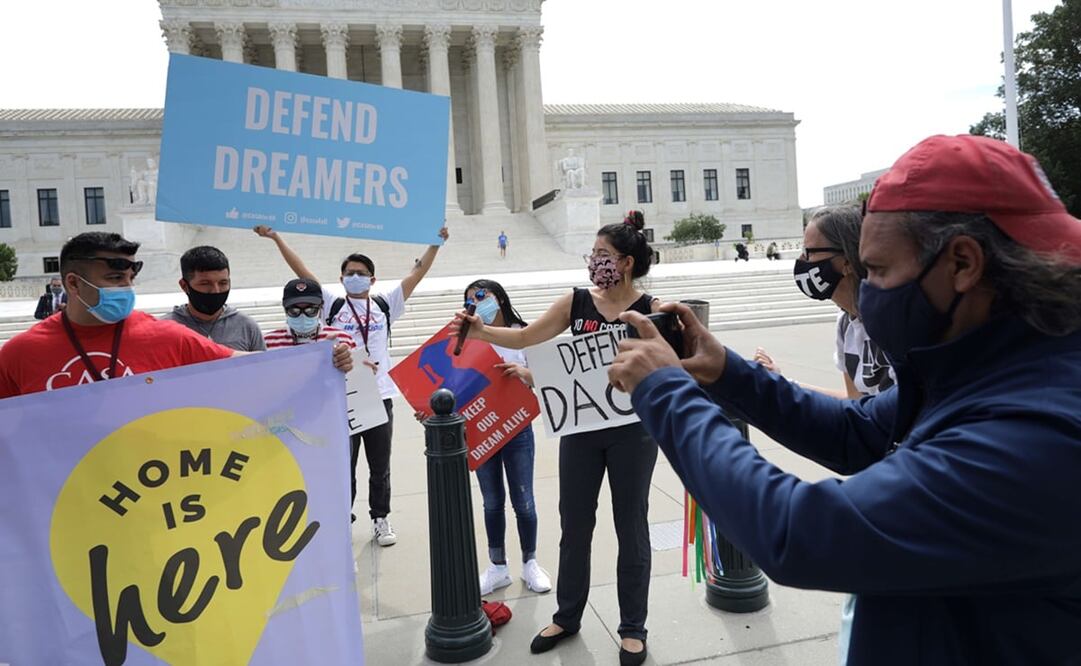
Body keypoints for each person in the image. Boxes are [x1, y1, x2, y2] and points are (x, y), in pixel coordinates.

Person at [608, 134, 1081, 664]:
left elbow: (794, 532)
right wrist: (726, 372)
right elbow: (858, 431)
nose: (868, 291)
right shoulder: (991, 365)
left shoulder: (1040, 432)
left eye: (877, 271)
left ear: (963, 263)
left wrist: (667, 392)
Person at [452, 209, 658, 665]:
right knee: (575, 527)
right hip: (581, 433)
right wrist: (480, 329)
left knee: (632, 526)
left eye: (602, 255)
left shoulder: (650, 311)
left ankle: (632, 628)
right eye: (592, 254)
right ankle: (567, 616)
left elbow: (665, 369)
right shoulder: (576, 302)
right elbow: (526, 336)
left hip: (632, 435)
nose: (593, 262)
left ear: (625, 262)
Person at [255, 224, 450, 547]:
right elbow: (300, 270)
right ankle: (341, 519)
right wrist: (277, 238)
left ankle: (380, 518)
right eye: (348, 272)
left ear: (372, 280)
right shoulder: (332, 303)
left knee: (379, 463)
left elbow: (417, 272)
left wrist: (435, 244)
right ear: (341, 278)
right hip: (341, 395)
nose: (354, 276)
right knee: (342, 464)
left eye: (360, 273)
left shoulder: (386, 304)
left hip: (380, 395)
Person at [0, 232, 353, 400]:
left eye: (128, 279)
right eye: (113, 279)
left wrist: (323, 358)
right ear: (73, 284)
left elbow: (251, 365)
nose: (124, 288)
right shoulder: (18, 355)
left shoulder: (166, 336)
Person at [461, 279, 551, 597]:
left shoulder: (523, 333)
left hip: (517, 427)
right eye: (471, 300)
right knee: (492, 503)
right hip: (481, 430)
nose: (478, 303)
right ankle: (497, 567)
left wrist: (528, 375)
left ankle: (530, 563)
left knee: (524, 501)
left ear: (499, 298)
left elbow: (549, 374)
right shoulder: (464, 338)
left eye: (483, 297)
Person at [754, 206, 894, 399]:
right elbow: (855, 400)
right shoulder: (846, 323)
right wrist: (782, 383)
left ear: (846, 261)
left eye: (809, 252)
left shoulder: (893, 320)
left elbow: (887, 412)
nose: (802, 260)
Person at [160, 246, 266, 352]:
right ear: (184, 286)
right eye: (205, 284)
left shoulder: (246, 326)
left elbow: (264, 367)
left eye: (223, 283)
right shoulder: (164, 329)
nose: (216, 291)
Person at [263, 278, 357, 351]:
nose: (302, 315)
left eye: (311, 310)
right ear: (285, 310)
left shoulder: (342, 339)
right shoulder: (267, 342)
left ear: (321, 308)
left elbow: (356, 373)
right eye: (294, 311)